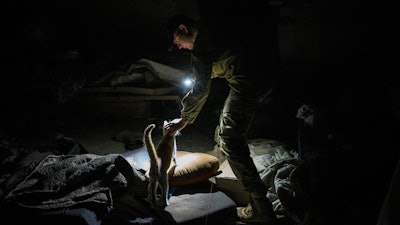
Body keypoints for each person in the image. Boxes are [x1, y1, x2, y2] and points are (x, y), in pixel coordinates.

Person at [163, 10, 279, 225]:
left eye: (177, 41)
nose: (179, 47)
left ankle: (262, 207)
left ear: (183, 28)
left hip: (250, 82)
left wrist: (184, 119)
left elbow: (200, 90)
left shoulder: (202, 46)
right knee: (226, 125)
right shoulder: (215, 26)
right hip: (264, 71)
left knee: (231, 139)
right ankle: (224, 161)